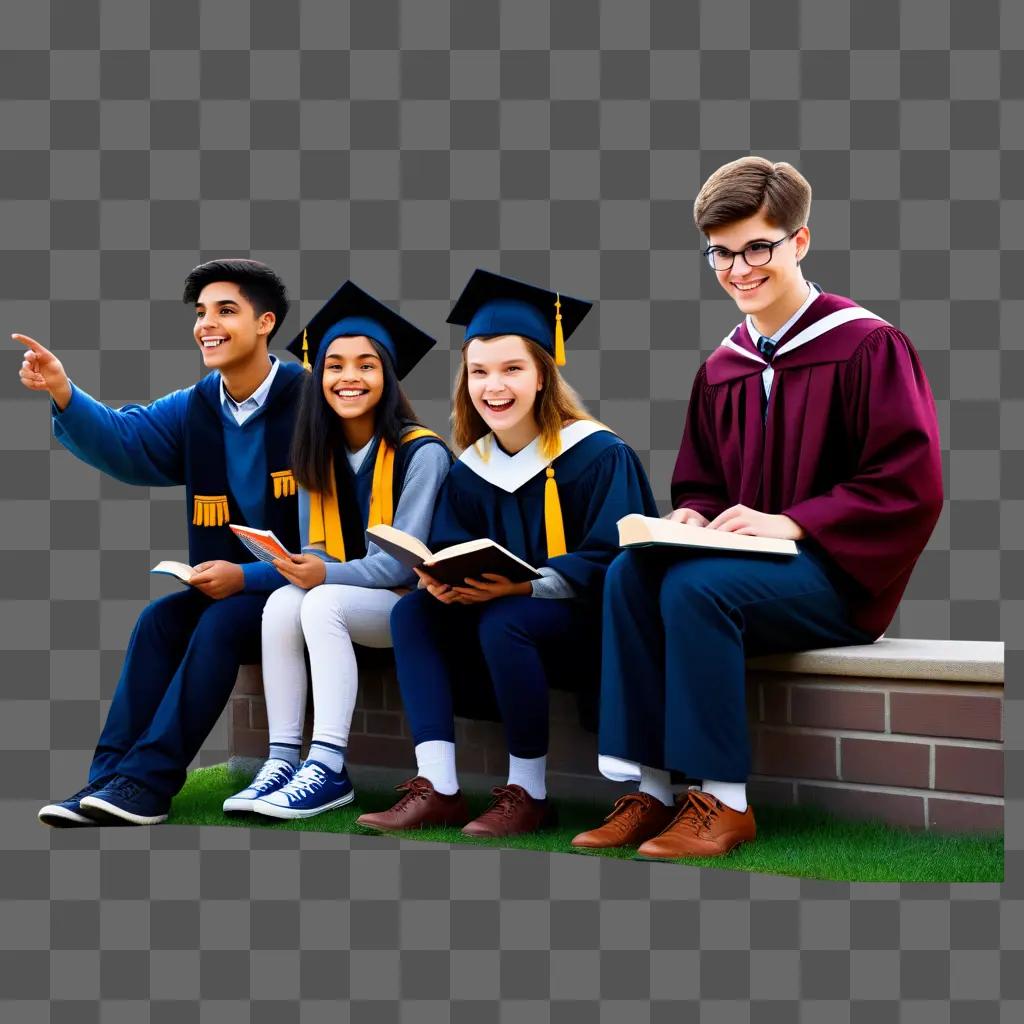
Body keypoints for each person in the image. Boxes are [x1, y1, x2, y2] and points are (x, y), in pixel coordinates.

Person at [572, 157, 944, 858]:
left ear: (799, 242)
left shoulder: (867, 345)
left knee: (695, 587)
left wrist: (797, 519)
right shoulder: (723, 366)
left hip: (835, 577)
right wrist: (691, 515)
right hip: (747, 565)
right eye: (721, 252)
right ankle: (652, 793)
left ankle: (724, 801)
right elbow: (704, 482)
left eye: (758, 247)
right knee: (631, 574)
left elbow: (910, 482)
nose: (739, 268)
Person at [355, 269, 659, 838]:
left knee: (506, 618)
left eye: (513, 369)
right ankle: (438, 786)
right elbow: (450, 545)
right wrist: (440, 579)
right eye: (479, 372)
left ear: (544, 374)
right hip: (502, 614)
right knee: (412, 612)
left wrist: (524, 585)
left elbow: (620, 556)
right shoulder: (472, 468)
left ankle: (529, 792)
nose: (494, 386)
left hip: (586, 625)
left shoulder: (598, 453)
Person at [17, 259, 306, 826]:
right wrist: (63, 390)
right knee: (159, 622)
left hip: (301, 586)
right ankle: (108, 780)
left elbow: (343, 533)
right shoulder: (196, 406)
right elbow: (128, 439)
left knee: (220, 623)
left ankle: (147, 785)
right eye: (201, 314)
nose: (208, 325)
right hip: (230, 586)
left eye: (226, 310)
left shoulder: (314, 399)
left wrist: (246, 577)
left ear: (266, 322)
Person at [221, 281, 451, 819]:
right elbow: (315, 549)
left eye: (366, 365)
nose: (349, 378)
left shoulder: (423, 454)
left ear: (388, 378)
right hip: (355, 599)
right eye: (335, 366)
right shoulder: (316, 456)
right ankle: (282, 761)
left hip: (414, 603)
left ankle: (328, 765)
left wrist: (322, 572)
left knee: (321, 601)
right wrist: (305, 565)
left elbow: (403, 562)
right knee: (281, 603)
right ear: (318, 376)